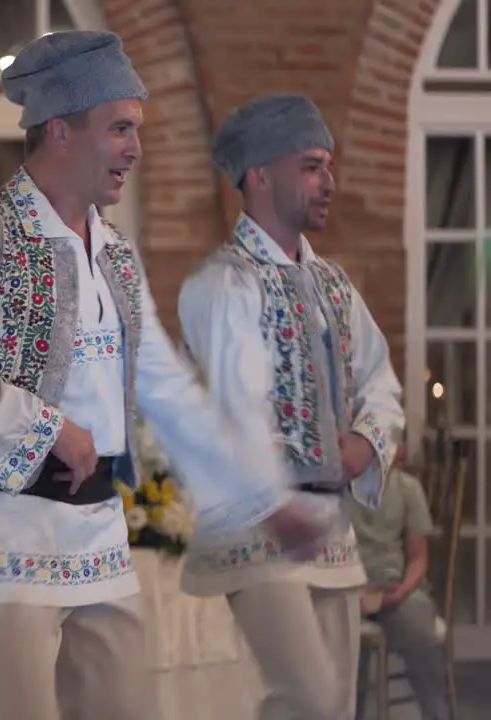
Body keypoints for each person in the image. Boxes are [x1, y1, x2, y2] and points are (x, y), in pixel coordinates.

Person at [0, 31, 332, 720]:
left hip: (96, 536)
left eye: (138, 130)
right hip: (0, 536)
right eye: (121, 128)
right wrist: (48, 428)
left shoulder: (116, 256)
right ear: (61, 130)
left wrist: (261, 501)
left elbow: (168, 391)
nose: (136, 148)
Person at [177, 94, 405, 720]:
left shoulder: (333, 283)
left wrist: (363, 443)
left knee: (330, 703)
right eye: (311, 166)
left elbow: (380, 379)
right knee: (305, 697)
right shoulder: (224, 284)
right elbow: (231, 405)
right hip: (258, 524)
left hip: (329, 526)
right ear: (260, 175)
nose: (329, 183)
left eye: (329, 165)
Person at [352, 453, 448, 720]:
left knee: (421, 634)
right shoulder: (336, 492)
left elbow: (419, 557)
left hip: (398, 588)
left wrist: (403, 589)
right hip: (348, 589)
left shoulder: (407, 488)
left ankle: (436, 714)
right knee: (334, 634)